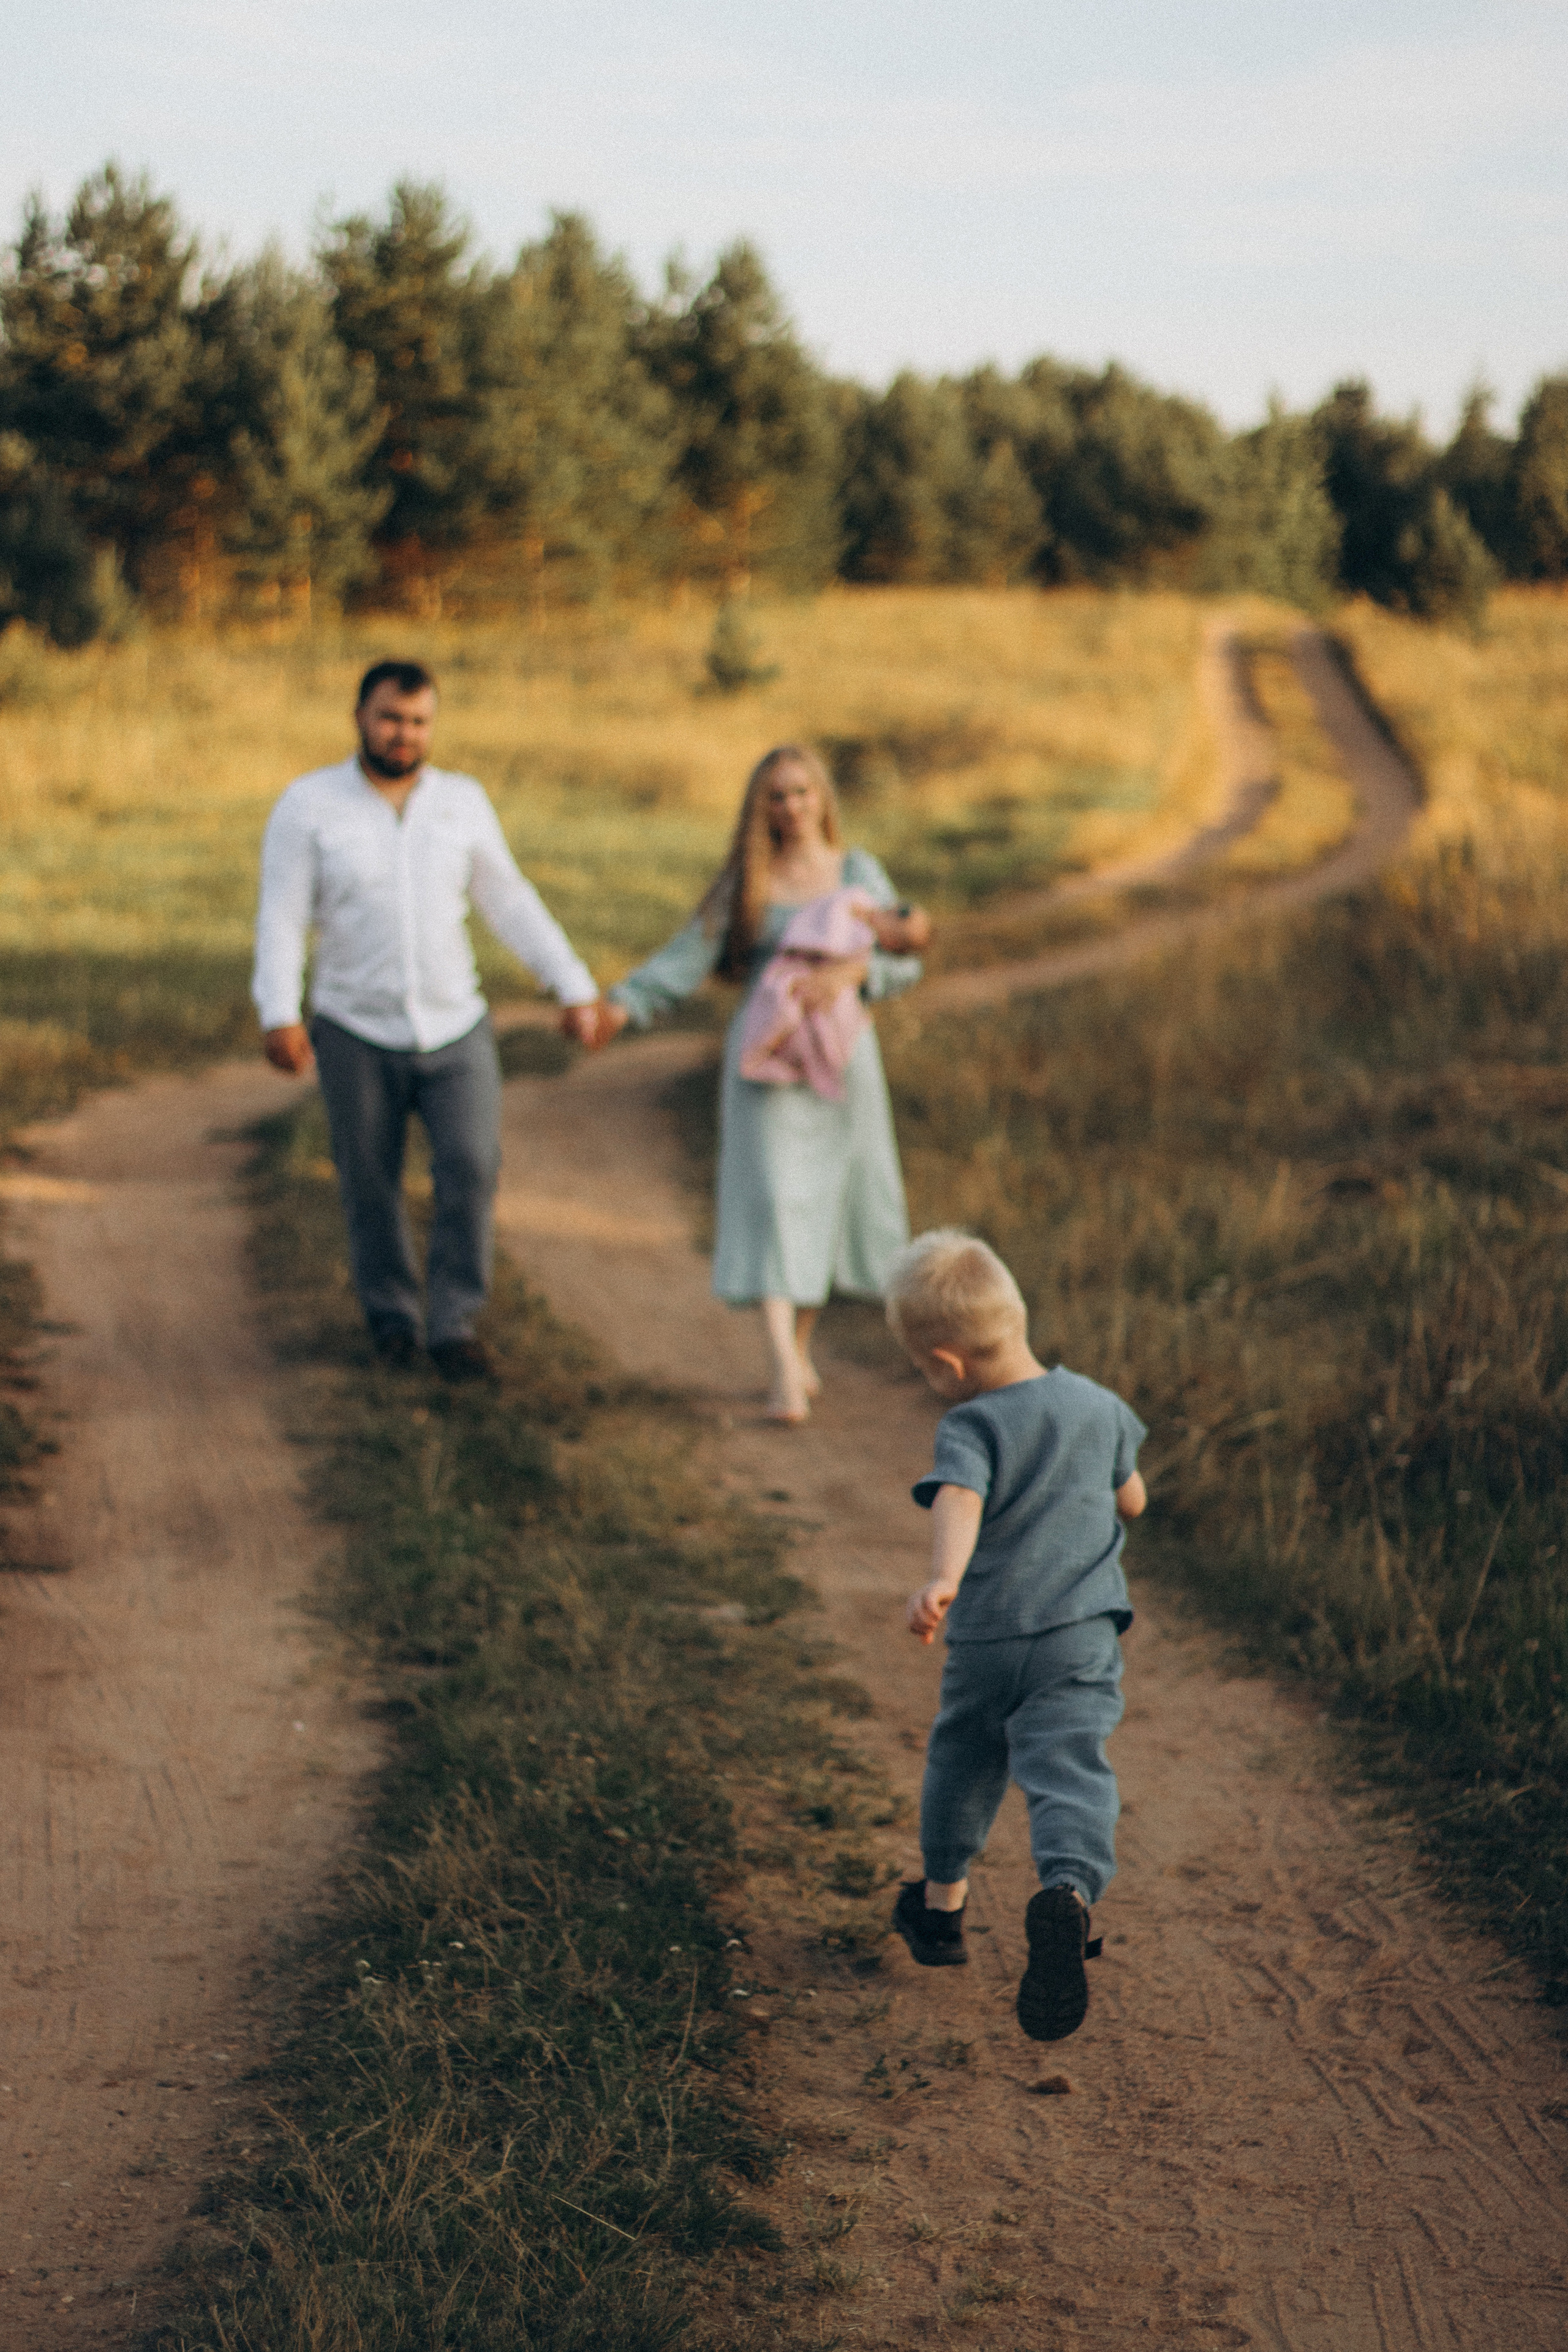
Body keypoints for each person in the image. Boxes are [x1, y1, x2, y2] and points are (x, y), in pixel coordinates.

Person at [252, 658, 612, 1381]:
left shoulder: (462, 803)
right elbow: (283, 915)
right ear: (360, 716)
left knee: (471, 1168)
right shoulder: (308, 804)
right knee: (369, 1179)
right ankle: (391, 1322)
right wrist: (279, 1012)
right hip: (354, 1026)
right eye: (390, 717)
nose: (404, 734)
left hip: (455, 1025)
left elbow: (508, 900)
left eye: (418, 721)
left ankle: (454, 1325)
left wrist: (572, 985)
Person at [597, 744, 930, 1420]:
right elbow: (684, 959)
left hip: (840, 1056)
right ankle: (780, 1360)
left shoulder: (856, 871)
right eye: (777, 796)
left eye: (803, 792)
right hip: (765, 1054)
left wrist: (851, 975)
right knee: (776, 1198)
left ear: (822, 799)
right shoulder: (745, 881)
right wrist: (621, 1004)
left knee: (823, 1203)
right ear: (760, 807)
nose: (791, 807)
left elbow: (906, 956)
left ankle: (798, 1347)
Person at [883, 1229, 1147, 2043]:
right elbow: (1132, 1500)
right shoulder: (1101, 1407)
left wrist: (943, 1580)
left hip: (992, 1637)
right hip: (1080, 1638)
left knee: (963, 1759)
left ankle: (941, 1912)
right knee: (1070, 1770)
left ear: (949, 1363)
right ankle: (1066, 1894)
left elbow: (959, 1499)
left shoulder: (973, 1423)